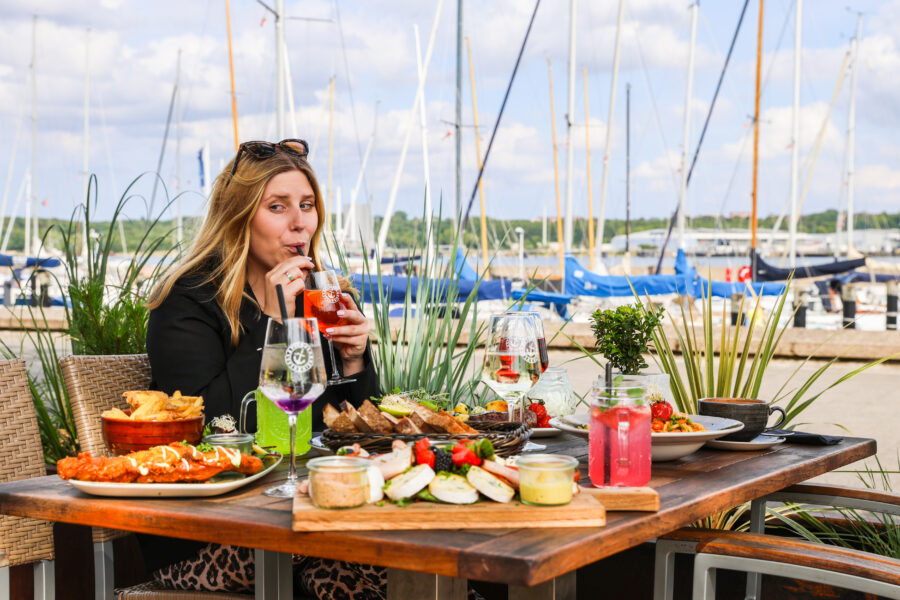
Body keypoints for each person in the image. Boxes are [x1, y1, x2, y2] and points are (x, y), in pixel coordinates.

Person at [143, 139, 390, 598]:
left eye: (308, 205)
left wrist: (354, 360)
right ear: (239, 216)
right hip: (206, 529)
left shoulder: (319, 296)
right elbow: (212, 425)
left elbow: (349, 426)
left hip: (302, 507)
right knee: (358, 558)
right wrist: (273, 328)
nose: (300, 222)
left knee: (391, 561)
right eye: (277, 206)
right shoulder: (187, 300)